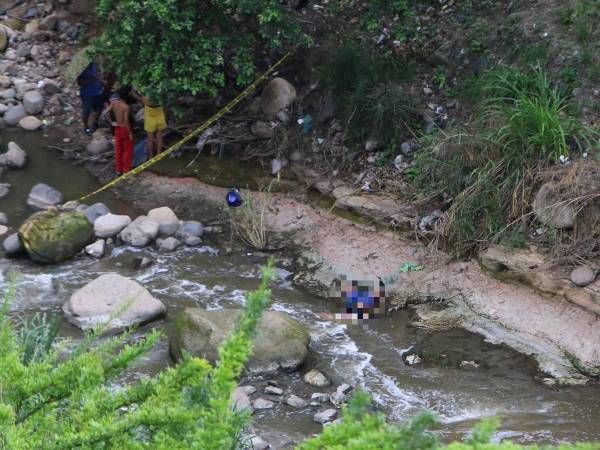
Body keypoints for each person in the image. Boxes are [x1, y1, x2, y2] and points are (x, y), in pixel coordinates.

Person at [104, 85, 134, 175]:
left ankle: (118, 170)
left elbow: (104, 113)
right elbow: (126, 121)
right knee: (127, 150)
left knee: (118, 150)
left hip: (117, 128)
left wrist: (111, 123)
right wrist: (130, 133)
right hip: (124, 128)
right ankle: (126, 170)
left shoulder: (113, 104)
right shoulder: (125, 107)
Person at [131, 90, 166, 159]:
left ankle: (151, 156)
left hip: (150, 117)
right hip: (160, 114)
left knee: (150, 138)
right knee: (159, 136)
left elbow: (143, 101)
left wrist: (138, 96)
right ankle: (159, 154)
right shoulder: (159, 93)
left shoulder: (146, 96)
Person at [76, 61, 104, 135]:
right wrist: (89, 81)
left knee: (99, 108)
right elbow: (79, 83)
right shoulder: (81, 68)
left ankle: (95, 123)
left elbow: (97, 76)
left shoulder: (94, 65)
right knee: (86, 111)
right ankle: (86, 127)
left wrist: (101, 82)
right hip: (87, 94)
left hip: (97, 92)